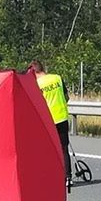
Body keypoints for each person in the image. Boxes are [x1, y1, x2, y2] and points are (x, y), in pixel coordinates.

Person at [30, 61, 72, 190]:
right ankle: (68, 177)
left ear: (34, 72)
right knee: (64, 149)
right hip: (62, 118)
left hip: (47, 121)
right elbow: (66, 97)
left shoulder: (37, 84)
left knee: (48, 150)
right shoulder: (57, 78)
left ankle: (51, 177)